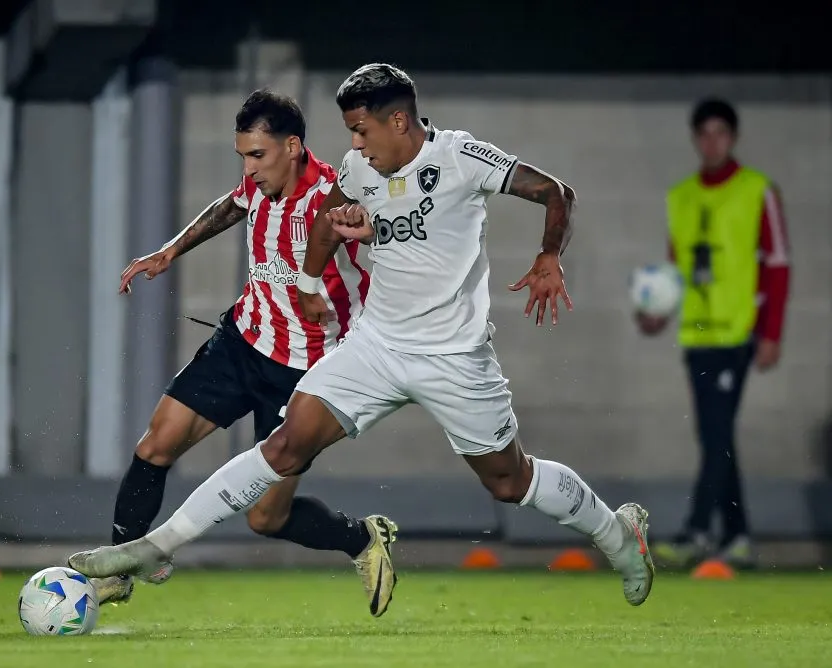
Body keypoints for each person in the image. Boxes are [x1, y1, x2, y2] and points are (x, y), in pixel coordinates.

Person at [69, 63, 655, 610]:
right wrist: (307, 281)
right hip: (373, 347)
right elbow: (327, 225)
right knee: (283, 446)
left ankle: (617, 533)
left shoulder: (461, 157)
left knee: (509, 481)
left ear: (398, 121)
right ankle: (153, 548)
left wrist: (549, 255)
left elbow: (555, 191)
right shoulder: (357, 170)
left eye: (361, 130)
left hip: (453, 356)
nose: (354, 143)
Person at [92, 88, 399, 613]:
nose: (249, 169)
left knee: (266, 518)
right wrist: (170, 251)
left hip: (305, 373)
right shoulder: (259, 185)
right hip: (243, 341)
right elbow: (231, 206)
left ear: (293, 147)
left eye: (257, 155)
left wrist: (374, 247)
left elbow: (384, 239)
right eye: (243, 157)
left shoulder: (334, 198)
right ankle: (119, 570)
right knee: (156, 444)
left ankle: (363, 538)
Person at [639, 98, 791, 568]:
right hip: (697, 336)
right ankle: (738, 536)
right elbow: (675, 270)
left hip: (737, 334)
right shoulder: (681, 196)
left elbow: (778, 265)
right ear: (695, 139)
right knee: (715, 438)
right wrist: (657, 313)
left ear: (733, 138)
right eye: (704, 134)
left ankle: (698, 530)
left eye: (720, 133)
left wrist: (771, 333)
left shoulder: (757, 190)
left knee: (716, 435)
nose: (712, 142)